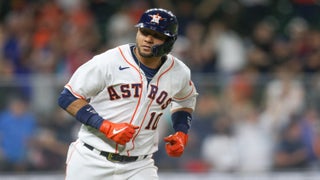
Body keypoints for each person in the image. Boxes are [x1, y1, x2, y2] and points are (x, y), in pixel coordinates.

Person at [58, 8, 198, 180]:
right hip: (92, 160)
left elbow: (185, 101)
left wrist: (181, 131)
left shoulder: (179, 72)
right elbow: (68, 97)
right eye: (144, 31)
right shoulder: (109, 61)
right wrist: (105, 126)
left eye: (157, 35)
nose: (148, 38)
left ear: (170, 41)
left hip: (140, 165)